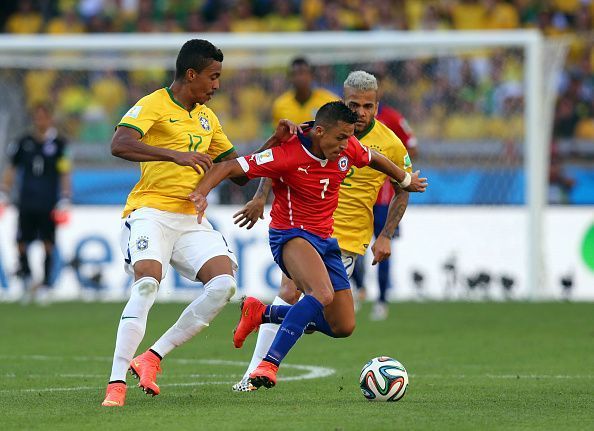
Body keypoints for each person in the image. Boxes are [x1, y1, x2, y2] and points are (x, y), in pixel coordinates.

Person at [101, 39, 299, 407]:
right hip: (149, 213)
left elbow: (237, 171)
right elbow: (119, 143)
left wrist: (274, 142)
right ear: (191, 74)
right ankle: (116, 383)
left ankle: (152, 357)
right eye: (213, 77)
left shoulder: (208, 118)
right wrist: (174, 156)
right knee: (147, 285)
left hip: (190, 220)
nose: (217, 85)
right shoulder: (154, 104)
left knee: (223, 286)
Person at [189, 100, 427, 390]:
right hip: (290, 235)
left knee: (342, 326)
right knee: (321, 293)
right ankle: (268, 364)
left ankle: (261, 313)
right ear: (319, 131)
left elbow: (373, 157)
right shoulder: (288, 154)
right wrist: (201, 194)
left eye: (349, 138)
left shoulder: (346, 146)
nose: (345, 145)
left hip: (326, 240)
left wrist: (404, 179)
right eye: (340, 138)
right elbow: (229, 166)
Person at [352, 77, 419, 320]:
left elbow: (412, 146)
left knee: (382, 246)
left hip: (381, 198)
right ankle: (358, 289)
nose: (362, 110)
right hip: (351, 198)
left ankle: (381, 299)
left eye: (368, 104)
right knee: (349, 248)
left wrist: (396, 169)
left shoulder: (392, 119)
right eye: (356, 103)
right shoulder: (341, 124)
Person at [0, 103, 72, 304]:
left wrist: (65, 197)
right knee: (21, 243)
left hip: (48, 202)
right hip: (26, 201)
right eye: (37, 117)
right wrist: (4, 192)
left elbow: (65, 171)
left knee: (48, 244)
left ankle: (46, 285)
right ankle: (26, 278)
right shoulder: (23, 142)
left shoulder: (59, 144)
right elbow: (11, 169)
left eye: (43, 117)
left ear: (50, 119)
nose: (40, 121)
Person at [271, 57, 339, 126]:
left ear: (312, 76)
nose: (299, 78)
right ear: (289, 78)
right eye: (295, 74)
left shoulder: (329, 101)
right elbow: (277, 134)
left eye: (303, 73)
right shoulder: (280, 105)